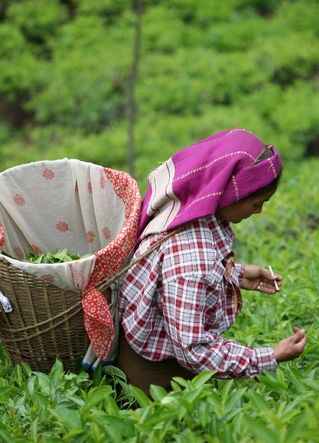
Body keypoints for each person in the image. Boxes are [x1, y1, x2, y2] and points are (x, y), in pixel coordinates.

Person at [115, 128, 307, 393]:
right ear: (231, 193)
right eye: (256, 203)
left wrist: (236, 274)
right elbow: (194, 349)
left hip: (156, 344)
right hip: (155, 373)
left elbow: (168, 274)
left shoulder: (190, 205)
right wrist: (271, 356)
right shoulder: (192, 259)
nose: (259, 210)